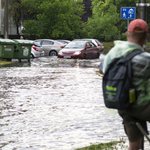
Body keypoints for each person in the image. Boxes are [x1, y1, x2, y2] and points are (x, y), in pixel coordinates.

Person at [101, 19, 150, 150]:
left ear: (127, 34)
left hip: (121, 104)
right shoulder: (145, 59)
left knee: (134, 145)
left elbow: (102, 69)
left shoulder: (112, 53)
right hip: (140, 107)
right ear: (146, 36)